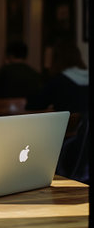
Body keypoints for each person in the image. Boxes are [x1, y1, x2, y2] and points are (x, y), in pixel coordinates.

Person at [26, 42, 89, 184]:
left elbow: (33, 104)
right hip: (83, 142)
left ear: (56, 59)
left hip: (63, 142)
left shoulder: (59, 80)